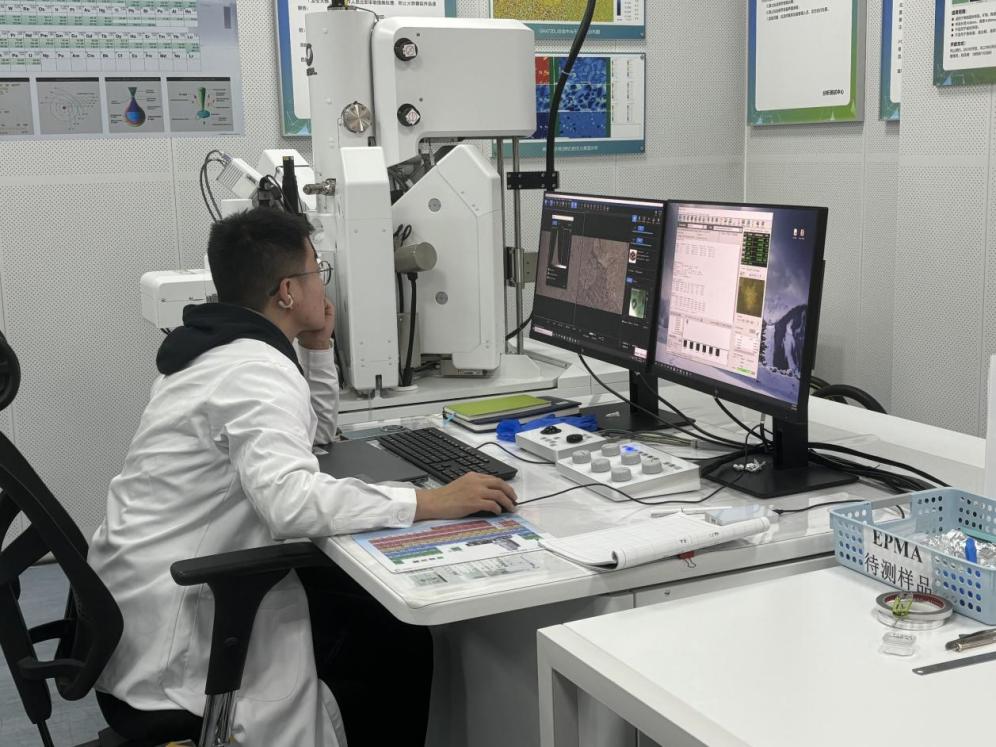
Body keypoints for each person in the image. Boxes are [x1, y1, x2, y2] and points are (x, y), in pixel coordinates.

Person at [87, 207, 517, 747]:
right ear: (288, 291)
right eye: (319, 270)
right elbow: (290, 504)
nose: (324, 284)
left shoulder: (218, 352)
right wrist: (429, 502)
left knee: (366, 605)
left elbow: (311, 439)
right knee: (399, 638)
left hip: (141, 604)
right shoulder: (256, 372)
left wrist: (317, 349)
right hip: (186, 636)